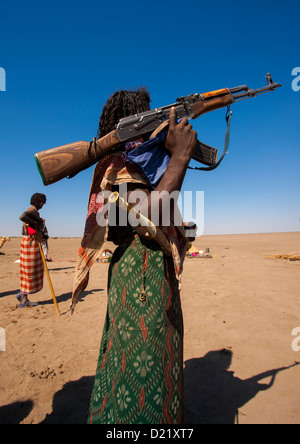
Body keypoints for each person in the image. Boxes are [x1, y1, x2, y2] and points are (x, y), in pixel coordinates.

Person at [71, 89, 197, 424]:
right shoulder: (123, 164)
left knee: (136, 353)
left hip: (141, 272)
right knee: (146, 357)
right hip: (143, 277)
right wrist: (181, 156)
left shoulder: (135, 162)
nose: (155, 118)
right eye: (147, 113)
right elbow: (148, 219)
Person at [16, 193, 47, 308]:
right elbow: (22, 217)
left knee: (29, 271)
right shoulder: (32, 210)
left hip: (30, 242)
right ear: (34, 201)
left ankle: (22, 295)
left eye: (43, 202)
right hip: (30, 243)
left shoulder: (35, 211)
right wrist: (36, 222)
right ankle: (23, 299)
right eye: (39, 202)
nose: (41, 204)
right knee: (30, 271)